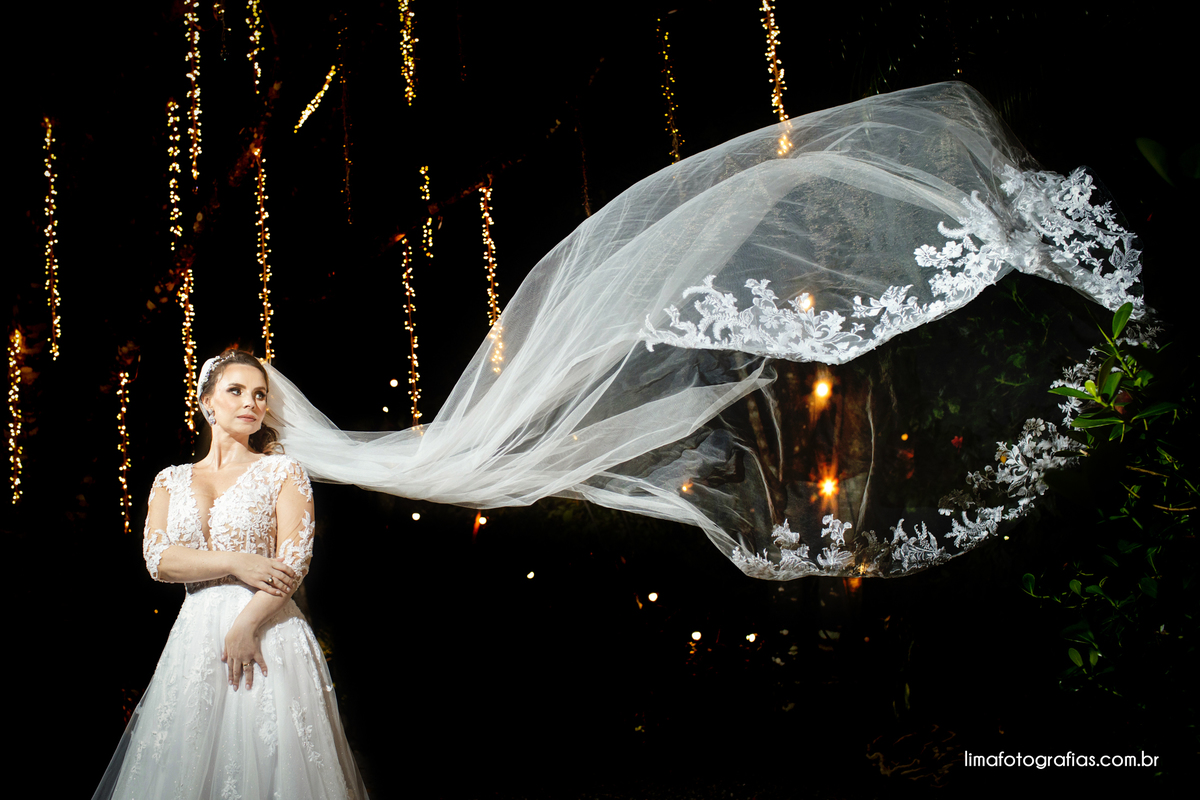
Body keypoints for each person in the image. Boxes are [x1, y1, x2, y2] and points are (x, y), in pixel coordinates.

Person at [93, 349, 368, 800]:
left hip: (267, 635)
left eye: (259, 394)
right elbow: (158, 559)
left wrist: (246, 626)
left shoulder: (283, 471)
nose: (251, 403)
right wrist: (235, 561)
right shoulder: (170, 480)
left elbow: (293, 564)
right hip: (195, 639)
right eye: (236, 391)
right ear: (207, 403)